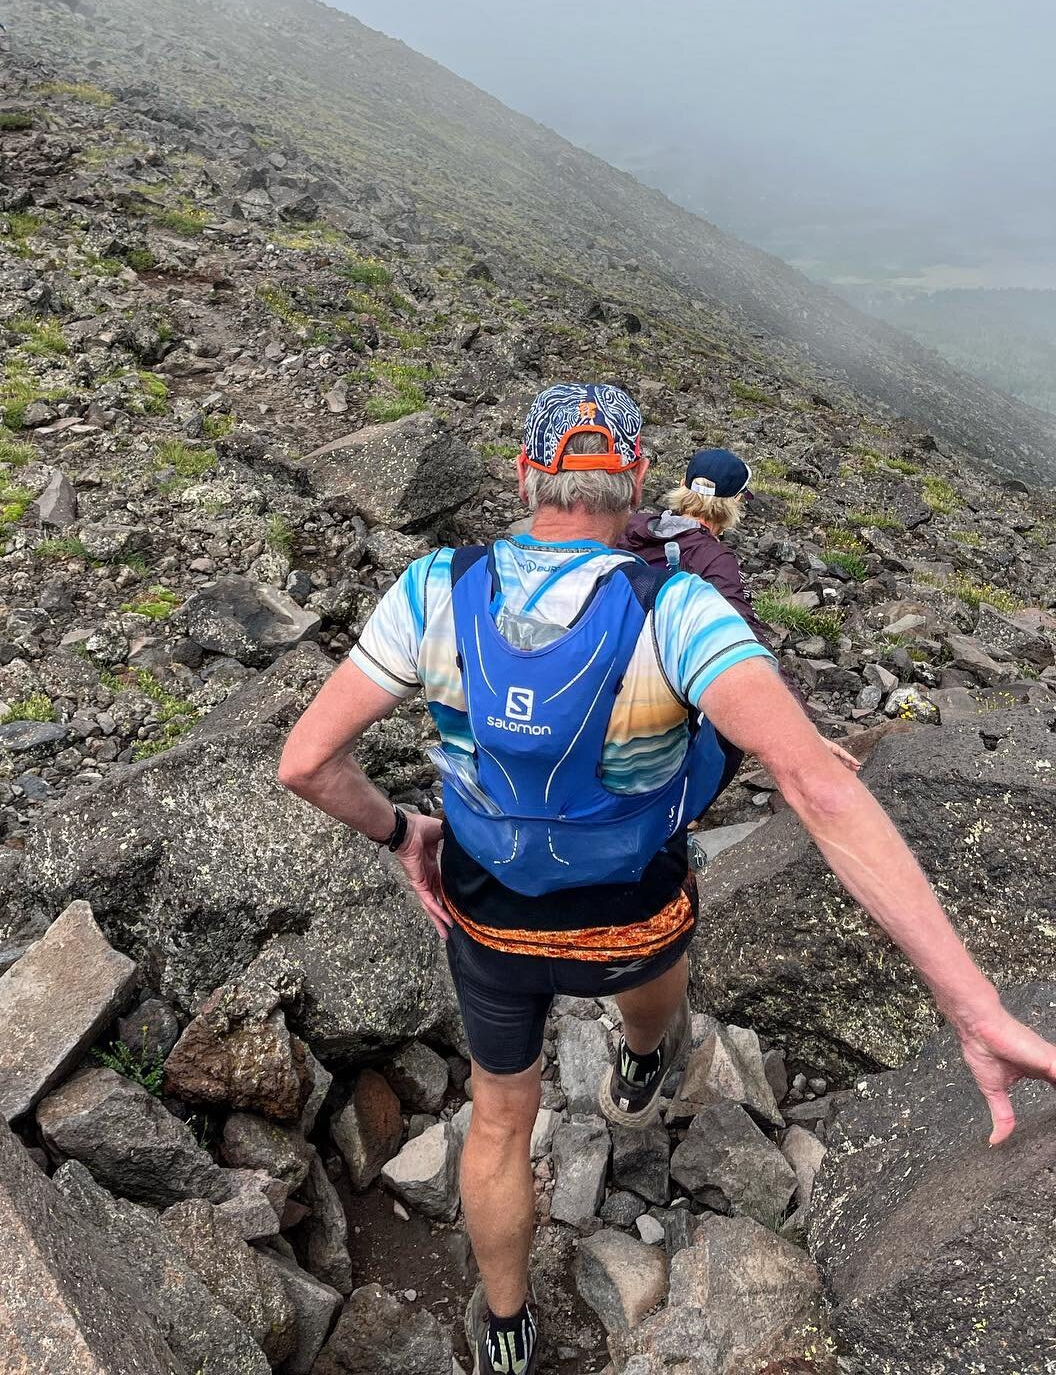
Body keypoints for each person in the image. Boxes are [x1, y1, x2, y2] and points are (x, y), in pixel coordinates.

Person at [277, 382, 1056, 1375]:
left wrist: (400, 833)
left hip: (491, 922)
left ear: (527, 476)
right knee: (655, 979)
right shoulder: (677, 607)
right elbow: (817, 784)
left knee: (502, 1120)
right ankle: (641, 1068)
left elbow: (304, 761)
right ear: (639, 483)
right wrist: (973, 1005)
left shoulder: (435, 588)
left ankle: (509, 1330)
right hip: (633, 910)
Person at [620, 444, 850, 776]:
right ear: (735, 503)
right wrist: (800, 725)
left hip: (607, 670)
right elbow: (743, 638)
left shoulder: (634, 527)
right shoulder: (712, 559)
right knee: (725, 731)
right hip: (656, 695)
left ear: (684, 487)